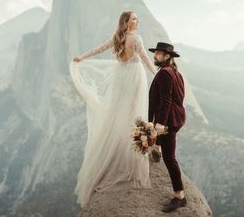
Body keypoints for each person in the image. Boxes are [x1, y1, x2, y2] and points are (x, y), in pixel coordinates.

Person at [70, 11, 157, 207]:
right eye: (134, 18)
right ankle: (130, 154)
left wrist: (81, 58)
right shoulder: (136, 38)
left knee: (119, 114)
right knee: (135, 114)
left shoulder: (117, 37)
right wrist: (157, 73)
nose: (137, 21)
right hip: (134, 77)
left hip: (120, 77)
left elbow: (99, 49)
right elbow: (144, 58)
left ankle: (117, 149)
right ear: (127, 22)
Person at [148, 42, 187, 213]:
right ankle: (156, 148)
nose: (155, 55)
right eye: (155, 52)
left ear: (167, 56)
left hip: (169, 120)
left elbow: (166, 100)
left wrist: (160, 124)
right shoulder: (175, 72)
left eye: (158, 53)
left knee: (170, 158)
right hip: (175, 118)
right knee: (166, 153)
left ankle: (180, 197)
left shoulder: (165, 73)